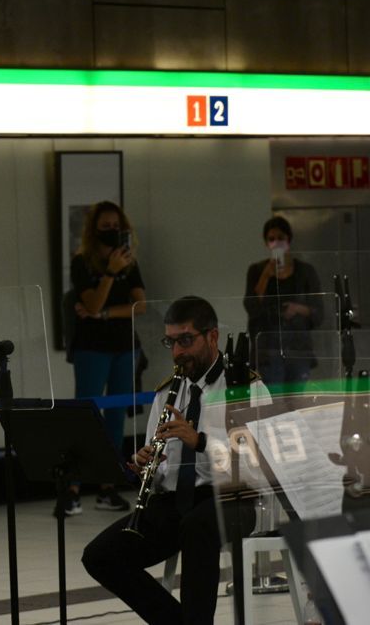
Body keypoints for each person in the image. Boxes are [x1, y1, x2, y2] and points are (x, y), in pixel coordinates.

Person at [81, 296, 263, 625]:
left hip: (233, 497)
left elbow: (257, 461)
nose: (178, 352)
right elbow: (164, 470)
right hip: (177, 499)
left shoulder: (246, 386)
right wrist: (145, 465)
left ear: (212, 337)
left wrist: (201, 441)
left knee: (196, 527)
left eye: (186, 340)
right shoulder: (167, 391)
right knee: (100, 556)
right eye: (171, 342)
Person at [66, 201, 145, 514]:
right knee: (86, 413)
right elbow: (92, 302)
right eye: (106, 226)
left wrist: (105, 314)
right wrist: (110, 274)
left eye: (117, 225)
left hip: (125, 346)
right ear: (93, 229)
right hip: (91, 348)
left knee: (115, 416)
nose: (112, 231)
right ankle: (72, 485)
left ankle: (107, 486)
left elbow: (141, 306)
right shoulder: (82, 263)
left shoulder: (130, 261)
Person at [244, 215, 323, 387]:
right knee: (273, 402)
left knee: (296, 401)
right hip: (268, 348)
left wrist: (296, 309)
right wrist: (266, 275)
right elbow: (251, 306)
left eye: (281, 238)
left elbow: (318, 311)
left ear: (289, 240)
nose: (276, 243)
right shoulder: (257, 271)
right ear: (266, 243)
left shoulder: (305, 271)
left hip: (297, 347)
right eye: (271, 239)